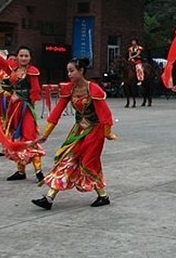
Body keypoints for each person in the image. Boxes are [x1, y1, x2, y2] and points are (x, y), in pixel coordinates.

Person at [32, 58, 117, 210]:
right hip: (78, 131)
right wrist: (45, 134)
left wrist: (107, 133)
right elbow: (56, 113)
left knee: (88, 163)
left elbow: (105, 115)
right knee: (67, 159)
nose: (69, 74)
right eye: (68, 71)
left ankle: (103, 195)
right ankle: (49, 198)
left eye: (72, 70)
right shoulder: (69, 89)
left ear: (81, 71)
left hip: (95, 131)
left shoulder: (94, 89)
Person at [0, 32, 45, 182]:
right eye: (21, 56)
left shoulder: (32, 72)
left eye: (26, 56)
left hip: (25, 109)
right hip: (12, 109)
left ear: (30, 58)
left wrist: (25, 102)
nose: (23, 58)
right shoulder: (12, 69)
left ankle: (38, 171)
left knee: (29, 137)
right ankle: (20, 171)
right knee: (15, 138)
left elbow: (35, 92)